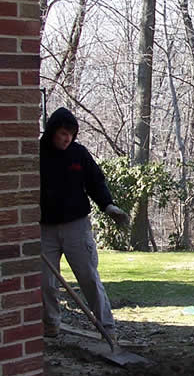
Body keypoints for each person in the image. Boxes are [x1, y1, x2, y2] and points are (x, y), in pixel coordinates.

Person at [40, 107, 130, 339]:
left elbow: (95, 182)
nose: (67, 138)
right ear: (52, 132)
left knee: (88, 276)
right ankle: (51, 323)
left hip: (76, 227)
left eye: (71, 133)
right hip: (44, 228)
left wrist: (108, 206)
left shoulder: (79, 154)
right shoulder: (37, 153)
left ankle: (107, 328)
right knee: (45, 282)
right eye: (62, 133)